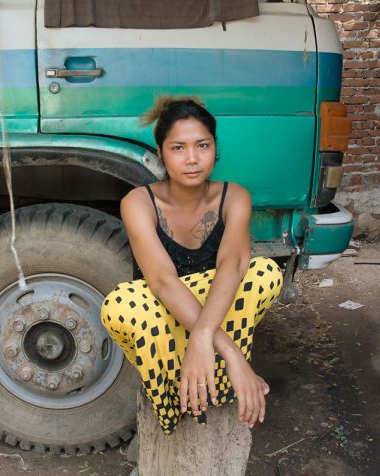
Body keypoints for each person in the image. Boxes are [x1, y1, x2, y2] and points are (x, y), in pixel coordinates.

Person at [101, 96, 283, 435]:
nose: (192, 159)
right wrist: (227, 350)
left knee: (264, 273)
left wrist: (202, 334)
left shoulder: (234, 197)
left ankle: (219, 384)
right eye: (178, 148)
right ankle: (176, 402)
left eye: (202, 145)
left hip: (216, 309)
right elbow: (163, 282)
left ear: (216, 148)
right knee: (121, 305)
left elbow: (232, 265)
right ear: (161, 152)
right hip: (163, 317)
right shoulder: (139, 202)